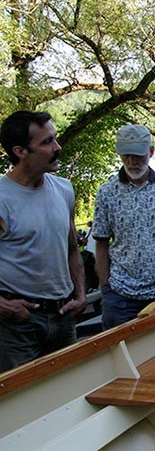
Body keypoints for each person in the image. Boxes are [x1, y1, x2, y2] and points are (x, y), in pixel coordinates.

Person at [0, 111, 86, 371]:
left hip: (63, 317)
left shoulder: (63, 189)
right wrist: (3, 307)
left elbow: (72, 248)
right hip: (18, 325)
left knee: (68, 397)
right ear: (20, 151)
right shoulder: (3, 198)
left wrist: (81, 294)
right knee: (22, 401)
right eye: (47, 142)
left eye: (55, 139)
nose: (57, 147)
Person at [92, 124, 155, 329]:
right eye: (126, 155)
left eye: (138, 155)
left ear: (151, 152)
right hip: (120, 296)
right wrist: (106, 287)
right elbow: (101, 242)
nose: (132, 162)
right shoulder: (107, 192)